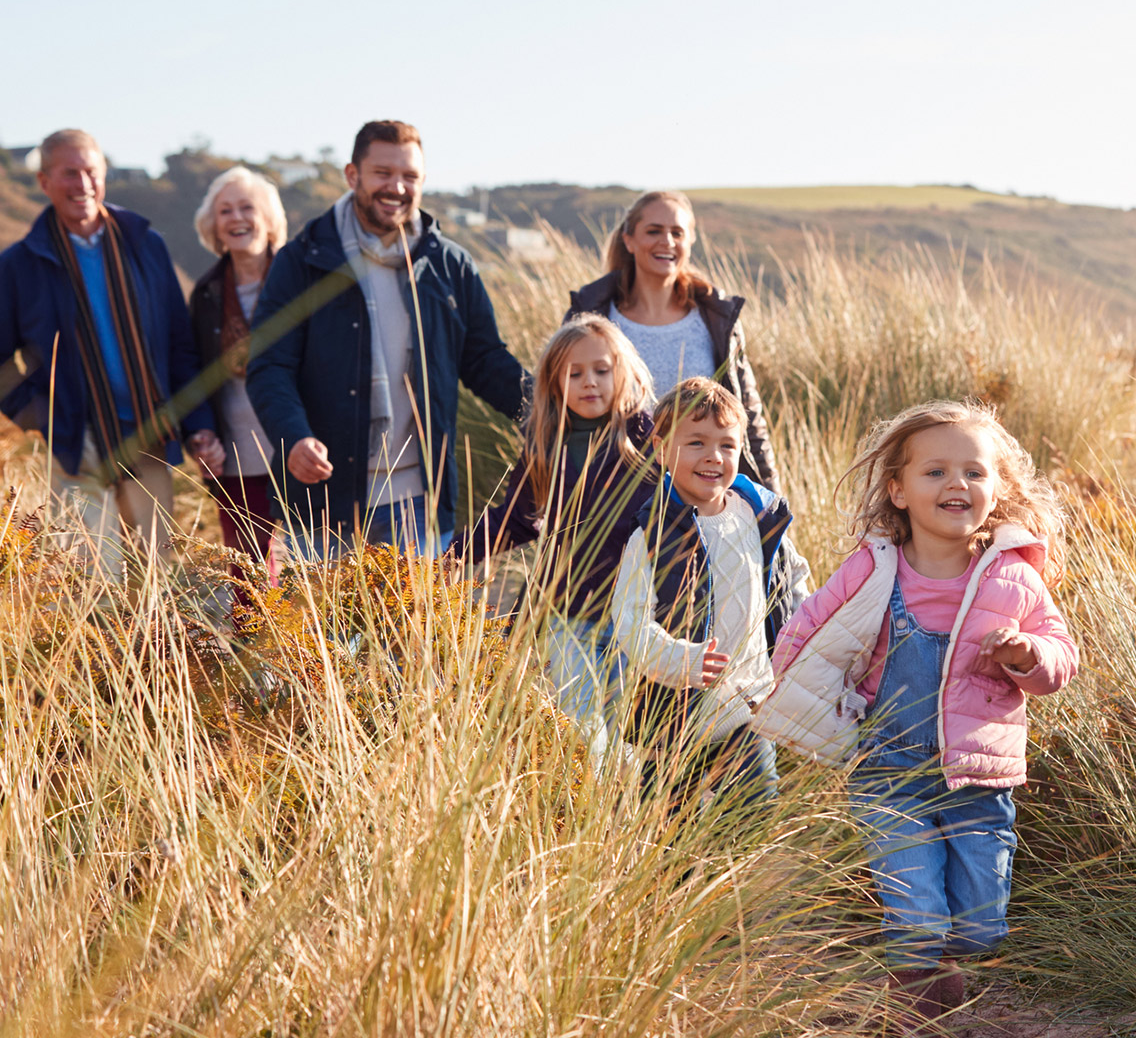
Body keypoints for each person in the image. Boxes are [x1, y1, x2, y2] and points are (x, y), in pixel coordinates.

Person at [754, 400, 1080, 1032]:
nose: (956, 484)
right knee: (916, 913)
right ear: (898, 491)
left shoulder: (1014, 579)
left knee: (981, 923)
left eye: (973, 472)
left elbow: (1061, 658)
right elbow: (804, 636)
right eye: (935, 472)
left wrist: (1025, 653)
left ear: (998, 490)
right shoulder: (872, 569)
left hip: (978, 780)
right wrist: (821, 710)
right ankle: (911, 1014)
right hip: (887, 770)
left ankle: (946, 971)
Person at [246, 120, 527, 557]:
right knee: (327, 629)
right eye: (382, 173)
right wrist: (293, 436)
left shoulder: (448, 264)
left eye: (409, 176)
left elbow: (485, 361)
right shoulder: (302, 261)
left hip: (422, 502)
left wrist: (551, 412)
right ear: (352, 175)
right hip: (326, 503)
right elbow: (269, 366)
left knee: (418, 628)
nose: (396, 187)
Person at [0, 128, 223, 578]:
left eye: (91, 171)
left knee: (155, 577)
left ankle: (155, 651)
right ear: (44, 182)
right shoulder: (16, 266)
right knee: (91, 582)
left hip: (149, 434)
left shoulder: (145, 245)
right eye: (69, 173)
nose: (83, 184)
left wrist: (198, 424)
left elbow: (179, 344)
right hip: (77, 444)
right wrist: (44, 417)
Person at [451, 316, 658, 757]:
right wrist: (451, 556)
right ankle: (590, 812)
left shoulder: (648, 435)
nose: (590, 383)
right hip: (570, 616)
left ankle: (627, 820)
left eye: (602, 370)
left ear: (622, 370)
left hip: (638, 616)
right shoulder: (546, 443)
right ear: (554, 381)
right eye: (574, 373)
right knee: (585, 735)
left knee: (631, 734)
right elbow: (515, 520)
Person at [611, 377, 810, 814]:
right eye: (697, 442)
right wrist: (682, 659)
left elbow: (793, 576)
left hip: (747, 707)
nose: (713, 457)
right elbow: (629, 620)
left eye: (726, 445)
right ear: (663, 450)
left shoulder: (758, 516)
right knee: (667, 829)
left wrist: (802, 636)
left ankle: (734, 877)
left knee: (757, 812)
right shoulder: (653, 535)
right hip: (674, 717)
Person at [565, 191, 778, 488]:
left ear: (689, 241)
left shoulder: (716, 317)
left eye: (677, 232)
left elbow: (748, 417)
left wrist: (771, 506)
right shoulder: (591, 316)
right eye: (654, 231)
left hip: (700, 493)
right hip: (611, 494)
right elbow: (558, 408)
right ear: (629, 240)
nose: (666, 241)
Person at [188, 166, 286, 587]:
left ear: (268, 218)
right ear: (214, 227)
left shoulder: (298, 281)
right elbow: (193, 371)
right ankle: (255, 648)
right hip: (238, 453)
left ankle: (315, 652)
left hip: (299, 444)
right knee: (248, 572)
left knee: (317, 566)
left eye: (247, 207)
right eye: (225, 210)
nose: (236, 217)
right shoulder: (206, 293)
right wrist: (201, 433)